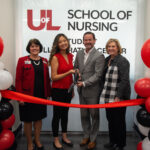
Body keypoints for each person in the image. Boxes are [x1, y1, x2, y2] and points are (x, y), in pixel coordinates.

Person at [15, 39, 51, 150]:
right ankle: (29, 143)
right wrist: (20, 97)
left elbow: (47, 79)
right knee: (27, 120)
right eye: (32, 46)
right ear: (29, 48)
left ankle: (37, 140)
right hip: (26, 96)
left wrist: (48, 94)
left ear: (40, 48)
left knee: (38, 119)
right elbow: (18, 80)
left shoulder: (45, 61)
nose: (34, 48)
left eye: (36, 46)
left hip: (41, 96)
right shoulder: (22, 60)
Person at [74, 32, 105, 149]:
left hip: (93, 91)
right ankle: (86, 136)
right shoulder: (79, 53)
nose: (88, 42)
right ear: (83, 41)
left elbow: (98, 75)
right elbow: (76, 67)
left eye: (90, 40)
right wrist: (77, 74)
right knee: (84, 115)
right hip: (81, 90)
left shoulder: (99, 55)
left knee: (94, 116)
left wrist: (84, 83)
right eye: (85, 40)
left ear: (94, 41)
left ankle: (93, 138)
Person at [100, 39, 131, 150]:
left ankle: (120, 144)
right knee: (111, 120)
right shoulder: (108, 59)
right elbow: (104, 77)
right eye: (109, 46)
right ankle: (112, 141)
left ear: (118, 48)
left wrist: (118, 96)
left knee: (119, 121)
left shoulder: (123, 61)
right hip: (108, 95)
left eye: (113, 46)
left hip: (119, 97)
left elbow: (124, 80)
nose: (111, 48)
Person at [49, 33, 75, 150]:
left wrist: (72, 89)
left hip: (68, 90)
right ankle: (56, 139)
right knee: (57, 115)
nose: (63, 43)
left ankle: (64, 136)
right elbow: (54, 77)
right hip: (58, 90)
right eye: (60, 42)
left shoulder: (70, 55)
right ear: (57, 44)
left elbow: (71, 77)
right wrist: (69, 72)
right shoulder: (55, 57)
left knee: (65, 114)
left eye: (65, 40)